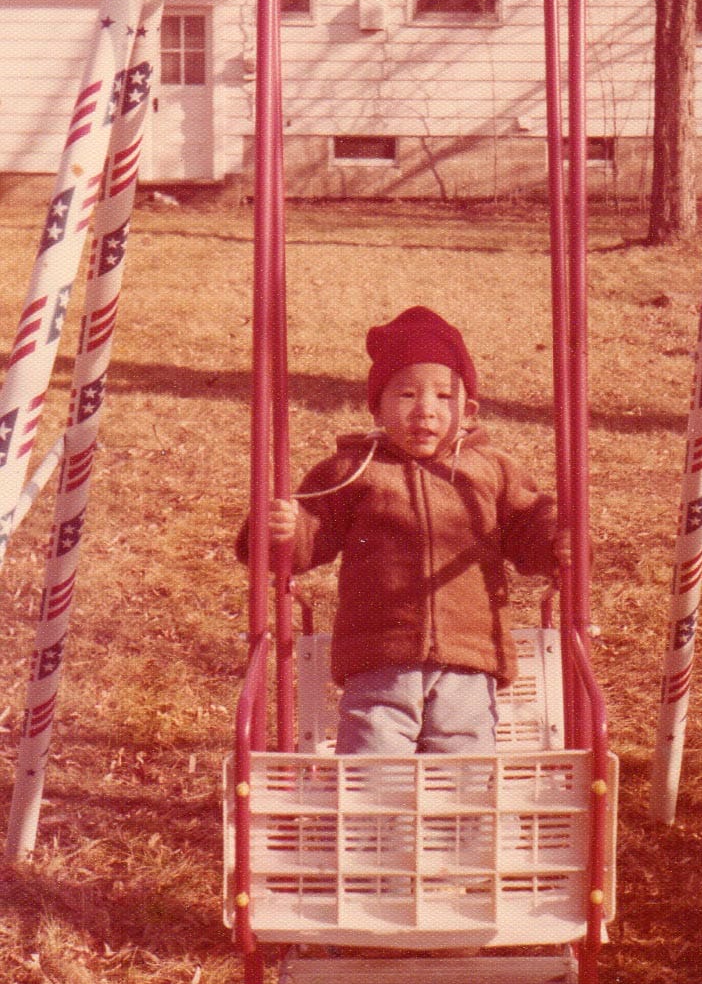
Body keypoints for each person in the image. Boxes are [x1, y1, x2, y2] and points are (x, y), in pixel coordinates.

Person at [240, 305, 566, 755]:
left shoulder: (491, 470)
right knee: (372, 756)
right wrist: (281, 531)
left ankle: (463, 827)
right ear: (376, 408)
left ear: (469, 411)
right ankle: (372, 827)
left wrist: (558, 539)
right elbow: (308, 537)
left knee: (465, 758)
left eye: (444, 398)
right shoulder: (353, 472)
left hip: (470, 655)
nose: (426, 412)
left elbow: (530, 523)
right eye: (407, 395)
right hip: (379, 655)